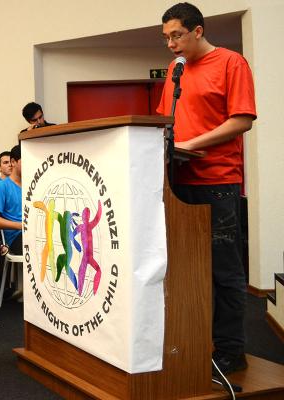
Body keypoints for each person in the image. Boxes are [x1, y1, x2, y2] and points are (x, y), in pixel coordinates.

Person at [157, 2, 256, 376]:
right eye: (166, 38)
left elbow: (242, 119)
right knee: (183, 270)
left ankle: (232, 351)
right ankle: (194, 343)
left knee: (223, 272)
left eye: (177, 35)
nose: (171, 44)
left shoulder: (232, 63)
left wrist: (192, 143)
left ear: (198, 30)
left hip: (217, 182)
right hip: (178, 180)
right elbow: (166, 119)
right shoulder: (175, 70)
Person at [0, 145, 23, 255]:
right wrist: (20, 225)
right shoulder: (1, 187)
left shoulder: (32, 184)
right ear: (13, 162)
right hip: (16, 238)